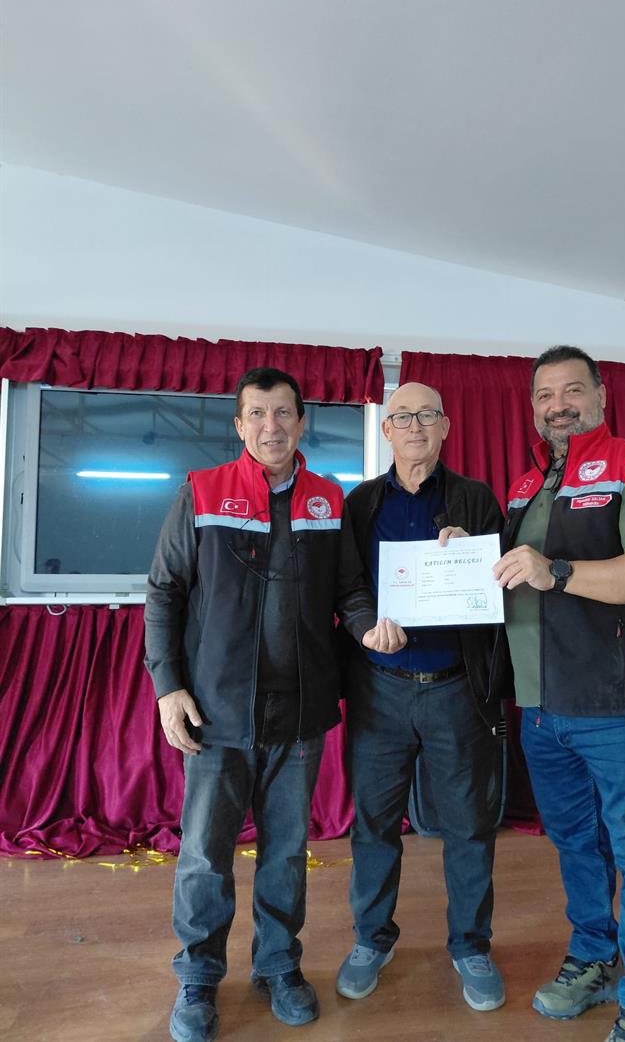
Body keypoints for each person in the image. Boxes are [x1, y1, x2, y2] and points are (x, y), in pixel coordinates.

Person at [144, 367, 405, 1042]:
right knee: (205, 856)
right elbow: (164, 592)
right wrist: (169, 687)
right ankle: (199, 977)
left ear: (301, 422)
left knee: (287, 853)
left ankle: (279, 966)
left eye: (283, 413)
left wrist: (368, 625)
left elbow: (349, 592)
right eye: (257, 414)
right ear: (239, 425)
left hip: (299, 716)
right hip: (216, 714)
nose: (271, 426)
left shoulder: (327, 498)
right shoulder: (202, 491)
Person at [494, 345, 625, 1042]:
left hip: (620, 706)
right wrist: (462, 552)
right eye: (545, 395)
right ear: (533, 407)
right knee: (577, 845)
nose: (559, 406)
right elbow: (511, 576)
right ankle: (593, 958)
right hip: (541, 707)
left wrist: (556, 570)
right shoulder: (526, 485)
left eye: (573, 390)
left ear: (602, 397)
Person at [336, 381, 511, 1013]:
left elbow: (504, 584)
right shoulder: (360, 502)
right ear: (386, 430)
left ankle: (471, 945)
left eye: (427, 415)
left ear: (445, 427)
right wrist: (365, 626)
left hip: (456, 690)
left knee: (469, 826)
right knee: (375, 825)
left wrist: (474, 558)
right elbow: (347, 587)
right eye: (403, 416)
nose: (415, 425)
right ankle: (371, 938)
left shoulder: (476, 498)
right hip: (379, 691)